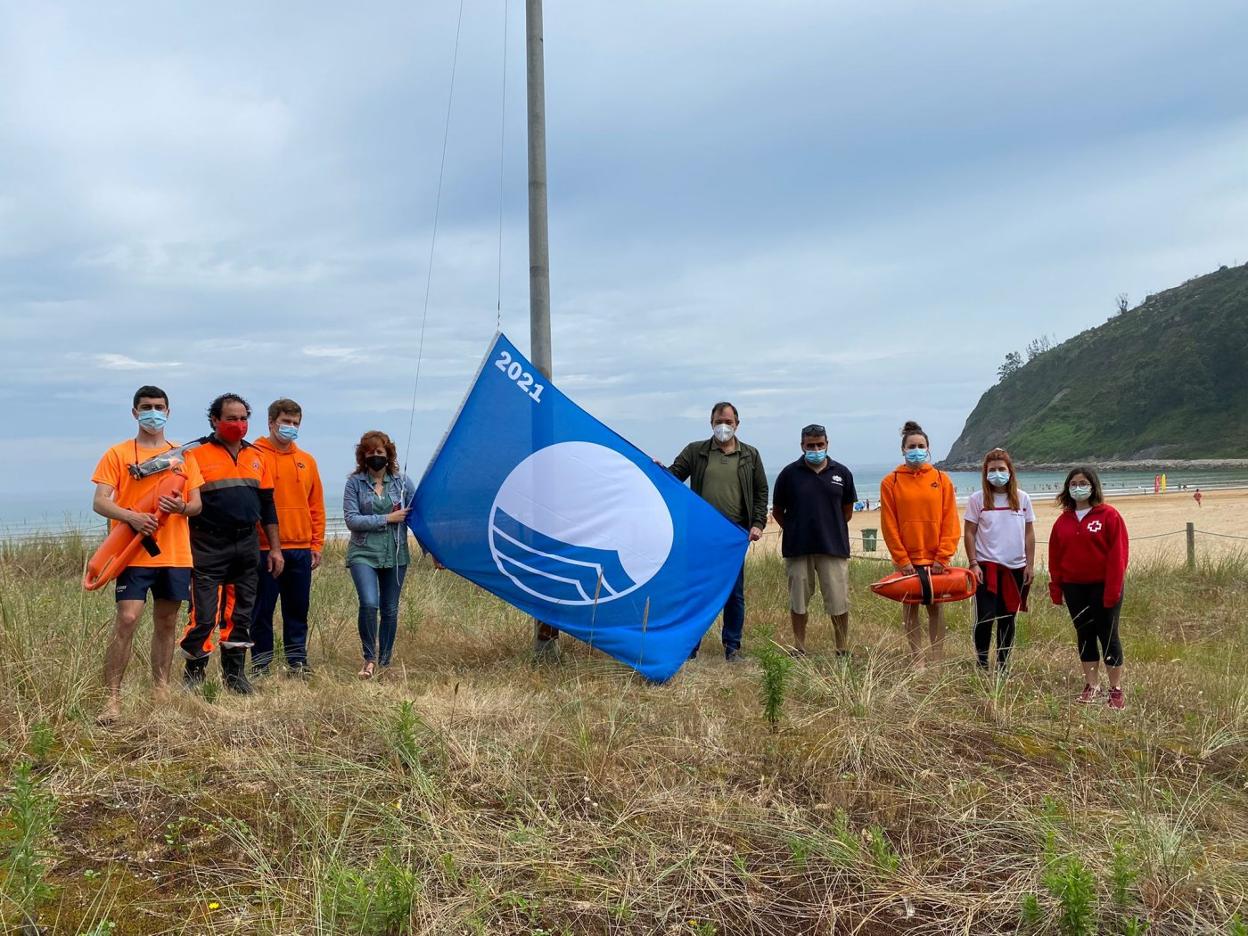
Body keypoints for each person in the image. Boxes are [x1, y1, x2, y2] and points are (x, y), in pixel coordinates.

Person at [91, 386, 204, 723]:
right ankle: (111, 700)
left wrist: (180, 506)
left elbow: (196, 505)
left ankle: (160, 691)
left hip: (174, 553)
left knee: (167, 622)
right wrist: (131, 516)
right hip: (132, 553)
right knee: (127, 620)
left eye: (158, 407)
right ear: (134, 412)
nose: (152, 412)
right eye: (146, 407)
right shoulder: (118, 453)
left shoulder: (183, 455)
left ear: (168, 412)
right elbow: (100, 501)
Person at [181, 394, 283, 695]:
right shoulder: (194, 454)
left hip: (247, 544)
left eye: (243, 418)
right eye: (231, 418)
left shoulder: (258, 456)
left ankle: (235, 676)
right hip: (206, 544)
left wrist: (275, 549)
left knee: (239, 613)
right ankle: (194, 675)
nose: (239, 424)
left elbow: (268, 506)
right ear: (215, 420)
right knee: (203, 615)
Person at [668, 402, 768, 661]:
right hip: (701, 533)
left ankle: (732, 647)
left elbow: (761, 492)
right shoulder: (695, 451)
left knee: (734, 593)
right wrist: (656, 471)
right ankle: (690, 646)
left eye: (729, 422)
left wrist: (757, 523)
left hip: (734, 535)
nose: (724, 426)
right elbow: (673, 477)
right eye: (718, 422)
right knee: (696, 589)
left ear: (737, 424)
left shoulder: (750, 455)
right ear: (711, 423)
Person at [250, 399, 326, 676]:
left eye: (295, 423)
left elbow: (316, 505)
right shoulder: (254, 455)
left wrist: (316, 544)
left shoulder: (307, 460)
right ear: (271, 422)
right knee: (262, 610)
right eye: (285, 422)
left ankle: (297, 661)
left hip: (301, 548)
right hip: (264, 548)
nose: (290, 427)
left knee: (297, 609)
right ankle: (261, 663)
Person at [771, 424, 857, 656]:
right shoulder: (788, 474)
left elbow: (847, 511)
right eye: (811, 445)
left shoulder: (842, 473)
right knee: (798, 602)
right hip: (798, 548)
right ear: (802, 446)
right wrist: (795, 529)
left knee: (839, 602)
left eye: (820, 444)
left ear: (827, 444)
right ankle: (799, 647)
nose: (816, 449)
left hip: (833, 547)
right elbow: (778, 511)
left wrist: (830, 528)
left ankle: (841, 647)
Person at [879, 420, 959, 667]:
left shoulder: (941, 479)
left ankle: (936, 658)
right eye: (912, 446)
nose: (916, 450)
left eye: (921, 445)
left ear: (928, 448)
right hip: (908, 562)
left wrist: (943, 557)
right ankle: (917, 658)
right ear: (903, 449)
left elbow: (950, 519)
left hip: (935, 560)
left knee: (935, 608)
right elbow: (889, 524)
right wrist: (902, 560)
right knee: (910, 609)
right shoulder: (890, 482)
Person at [1048, 467, 1130, 709]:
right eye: (1073, 484)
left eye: (1083, 483)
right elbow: (1055, 556)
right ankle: (1091, 684)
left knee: (1109, 635)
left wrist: (1113, 590)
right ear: (1067, 489)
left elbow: (1118, 556)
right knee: (1085, 636)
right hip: (1074, 587)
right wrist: (1057, 588)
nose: (1078, 487)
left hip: (1103, 586)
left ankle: (1115, 689)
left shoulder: (1109, 516)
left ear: (1093, 486)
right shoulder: (1063, 521)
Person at [344, 430, 416, 679]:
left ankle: (385, 660)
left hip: (395, 554)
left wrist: (435, 552)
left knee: (390, 609)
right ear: (363, 456)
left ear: (389, 455)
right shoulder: (354, 483)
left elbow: (419, 517)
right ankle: (369, 659)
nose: (376, 456)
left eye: (380, 452)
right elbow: (352, 520)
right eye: (371, 452)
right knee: (369, 603)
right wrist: (387, 518)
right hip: (363, 552)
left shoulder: (402, 482)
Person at [963, 448, 1034, 674]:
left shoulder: (1022, 498)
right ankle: (982, 662)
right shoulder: (977, 499)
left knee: (1007, 617)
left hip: (1015, 568)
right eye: (992, 470)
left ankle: (1003, 664)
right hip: (986, 567)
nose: (997, 474)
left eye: (1001, 469)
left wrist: (1030, 564)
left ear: (1010, 471)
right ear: (985, 473)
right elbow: (969, 533)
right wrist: (973, 563)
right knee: (985, 617)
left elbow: (1029, 533)